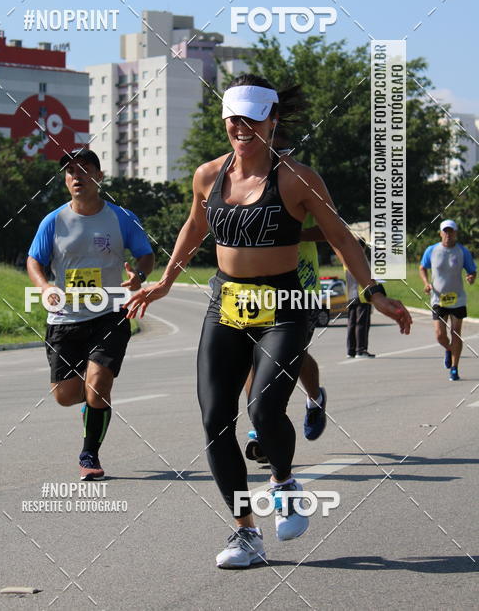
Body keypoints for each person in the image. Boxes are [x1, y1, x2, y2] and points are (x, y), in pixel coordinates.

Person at [125, 74, 412, 568]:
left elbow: (341, 237)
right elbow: (194, 226)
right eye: (234, 119)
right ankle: (246, 532)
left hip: (285, 305)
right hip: (226, 304)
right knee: (215, 419)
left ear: (272, 120)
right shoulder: (208, 175)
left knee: (262, 408)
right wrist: (166, 281)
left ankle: (283, 481)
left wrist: (374, 292)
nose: (242, 128)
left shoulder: (298, 178)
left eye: (252, 119)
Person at [27, 148, 154, 479]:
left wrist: (139, 276)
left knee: (98, 385)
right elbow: (34, 261)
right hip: (65, 319)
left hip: (109, 313)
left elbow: (146, 255)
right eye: (70, 171)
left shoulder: (121, 218)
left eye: (84, 169)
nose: (76, 176)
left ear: (99, 176)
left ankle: (89, 454)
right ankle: (93, 401)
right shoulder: (53, 221)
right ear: (65, 180)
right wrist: (44, 287)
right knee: (65, 395)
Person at [245, 213, 328, 465]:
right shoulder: (241, 193)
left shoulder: (305, 190)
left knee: (293, 355)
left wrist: (294, 234)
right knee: (253, 356)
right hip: (255, 291)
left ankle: (315, 399)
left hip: (302, 289)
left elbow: (332, 230)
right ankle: (262, 426)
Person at [419, 219, 476, 381]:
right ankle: (449, 349)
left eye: (451, 231)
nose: (448, 234)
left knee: (456, 333)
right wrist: (426, 283)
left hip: (457, 299)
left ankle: (454, 368)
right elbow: (422, 267)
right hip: (438, 299)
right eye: (445, 231)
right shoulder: (432, 250)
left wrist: (471, 277)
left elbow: (472, 270)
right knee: (439, 335)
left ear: (455, 233)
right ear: (440, 233)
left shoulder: (462, 251)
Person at [345, 239, 374, 358]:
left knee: (351, 323)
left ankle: (351, 350)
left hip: (350, 294)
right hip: (362, 295)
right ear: (363, 247)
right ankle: (361, 350)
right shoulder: (361, 259)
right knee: (362, 323)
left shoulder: (346, 258)